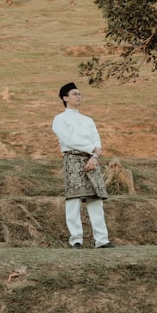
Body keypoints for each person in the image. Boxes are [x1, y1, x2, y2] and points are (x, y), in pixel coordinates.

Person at [52, 82, 113, 249]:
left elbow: (96, 140)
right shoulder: (59, 119)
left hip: (91, 160)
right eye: (75, 94)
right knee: (74, 200)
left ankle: (102, 240)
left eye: (80, 94)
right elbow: (67, 140)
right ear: (65, 98)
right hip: (72, 160)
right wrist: (90, 149)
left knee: (96, 200)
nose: (79, 96)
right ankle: (76, 240)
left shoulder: (88, 120)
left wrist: (94, 156)